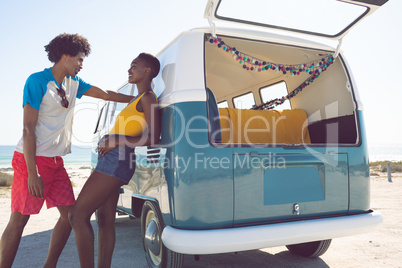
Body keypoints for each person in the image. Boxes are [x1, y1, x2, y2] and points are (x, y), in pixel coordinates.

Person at [0, 33, 135, 268]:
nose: (81, 65)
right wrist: (32, 172)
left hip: (55, 162)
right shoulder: (37, 81)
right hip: (30, 160)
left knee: (70, 215)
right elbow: (28, 129)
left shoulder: (73, 84)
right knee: (19, 220)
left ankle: (49, 264)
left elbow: (104, 95)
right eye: (79, 59)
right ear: (65, 56)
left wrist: (138, 98)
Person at [68, 53, 161, 268]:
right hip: (112, 159)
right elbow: (109, 96)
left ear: (147, 70)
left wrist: (117, 140)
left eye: (134, 66)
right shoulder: (137, 98)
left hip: (117, 160)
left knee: (77, 214)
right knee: (104, 219)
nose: (129, 70)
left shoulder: (148, 97)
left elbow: (153, 137)